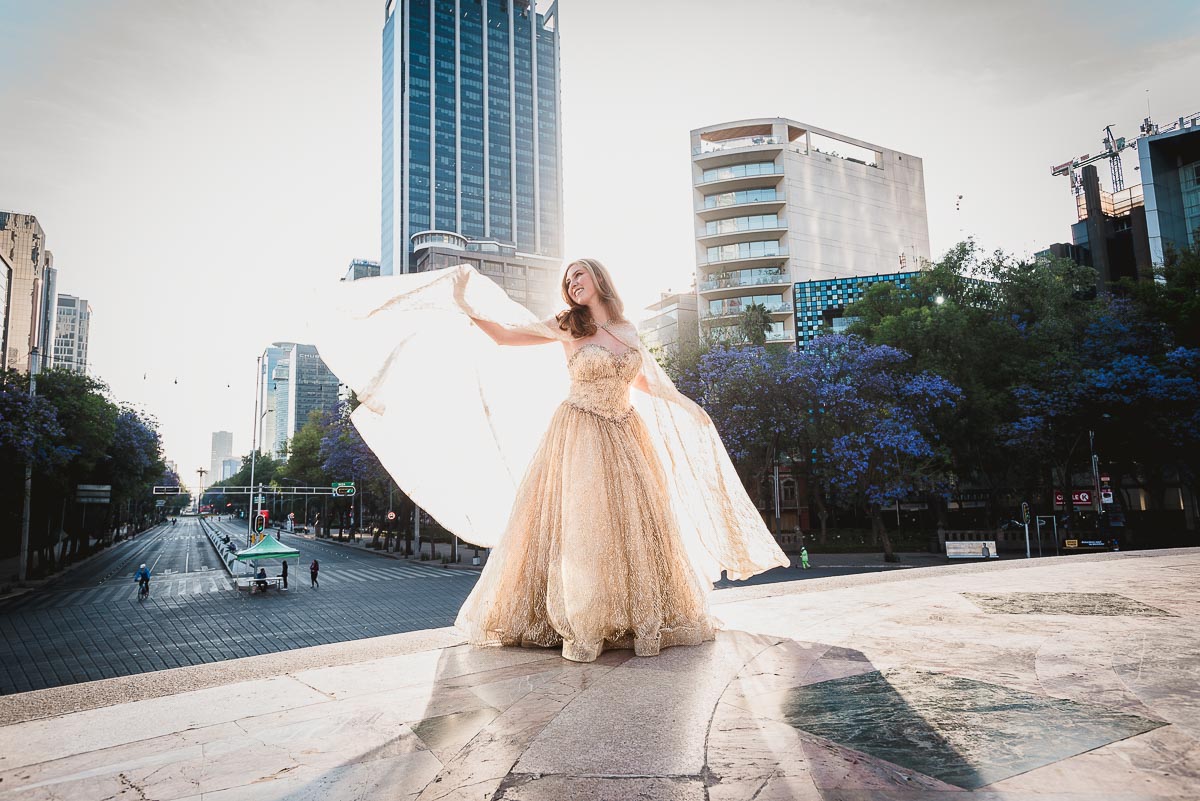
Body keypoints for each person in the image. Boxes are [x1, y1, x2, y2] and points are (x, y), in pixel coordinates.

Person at [317, 259, 788, 663]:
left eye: (579, 276)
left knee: (636, 526)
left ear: (599, 280)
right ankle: (576, 619)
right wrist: (465, 304)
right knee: (580, 528)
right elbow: (505, 337)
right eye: (568, 280)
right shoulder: (569, 325)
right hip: (579, 430)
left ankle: (633, 617)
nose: (573, 284)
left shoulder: (627, 330)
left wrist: (684, 404)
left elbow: (640, 381)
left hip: (625, 433)